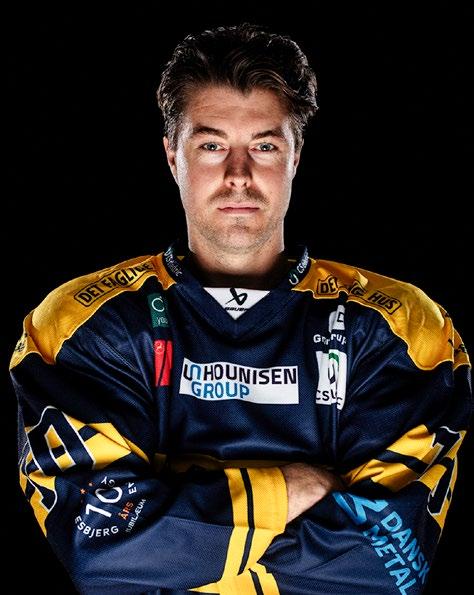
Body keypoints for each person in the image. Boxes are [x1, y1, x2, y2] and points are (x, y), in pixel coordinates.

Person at [11, 23, 471, 595]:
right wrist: (295, 489)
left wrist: (173, 532)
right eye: (211, 146)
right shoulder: (81, 325)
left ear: (295, 157)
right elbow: (100, 549)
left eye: (264, 146)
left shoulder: (400, 327)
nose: (238, 175)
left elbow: (385, 565)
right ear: (172, 156)